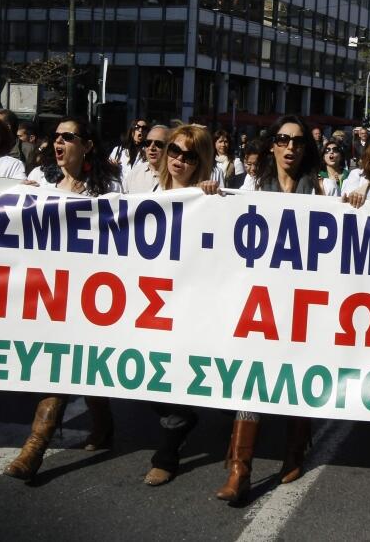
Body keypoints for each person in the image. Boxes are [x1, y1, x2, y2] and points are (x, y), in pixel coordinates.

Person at [4, 116, 122, 482]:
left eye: (68, 137)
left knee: (62, 366)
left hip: (90, 293)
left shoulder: (109, 188)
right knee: (80, 366)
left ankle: (34, 448)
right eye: (56, 137)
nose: (58, 143)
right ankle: (103, 425)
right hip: (49, 291)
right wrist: (18, 196)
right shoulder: (39, 180)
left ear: (87, 145)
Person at [214, 115, 321, 504]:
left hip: (302, 304)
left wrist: (361, 203)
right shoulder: (250, 187)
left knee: (296, 378)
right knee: (251, 380)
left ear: (305, 149)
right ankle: (239, 469)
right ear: (272, 145)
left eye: (297, 141)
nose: (290, 147)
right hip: (260, 304)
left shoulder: (318, 194)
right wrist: (212, 195)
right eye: (282, 140)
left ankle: (294, 451)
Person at [142, 125, 220, 488]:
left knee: (167, 375)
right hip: (144, 297)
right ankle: (180, 419)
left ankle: (167, 454)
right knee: (138, 371)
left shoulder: (206, 197)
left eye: (189, 156)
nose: (179, 160)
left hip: (187, 299)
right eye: (175, 151)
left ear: (201, 161)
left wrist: (213, 197)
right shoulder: (145, 190)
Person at [123, 125, 169, 193]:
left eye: (158, 144)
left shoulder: (176, 176)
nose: (151, 148)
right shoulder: (134, 173)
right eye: (148, 143)